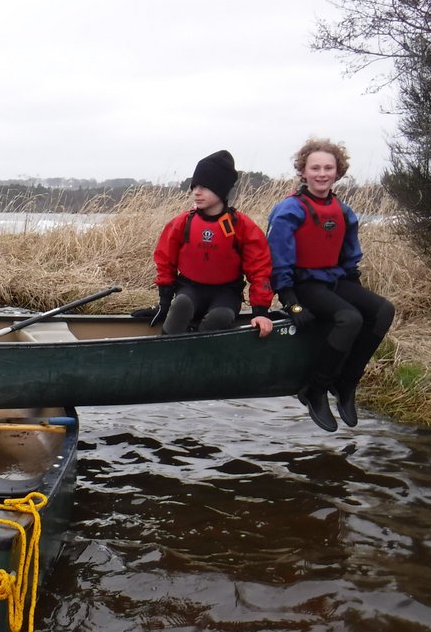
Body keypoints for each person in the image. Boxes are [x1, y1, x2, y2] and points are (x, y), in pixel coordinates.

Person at [267, 138, 395, 432]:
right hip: (302, 285)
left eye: (328, 168)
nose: (322, 173)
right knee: (349, 318)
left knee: (383, 310)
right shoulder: (289, 210)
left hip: (334, 280)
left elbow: (350, 256)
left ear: (338, 172)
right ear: (303, 171)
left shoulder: (344, 211)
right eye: (315, 168)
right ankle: (315, 389)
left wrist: (358, 291)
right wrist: (290, 301)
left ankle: (346, 382)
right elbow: (276, 260)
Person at [150, 149, 274, 338]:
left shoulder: (241, 226)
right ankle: (165, 352)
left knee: (221, 317)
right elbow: (165, 259)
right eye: (195, 186)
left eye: (205, 187)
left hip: (226, 294)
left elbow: (260, 269)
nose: (196, 192)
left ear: (221, 190)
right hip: (190, 289)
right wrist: (164, 303)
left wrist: (261, 313)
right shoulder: (183, 222)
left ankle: (200, 356)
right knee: (181, 304)